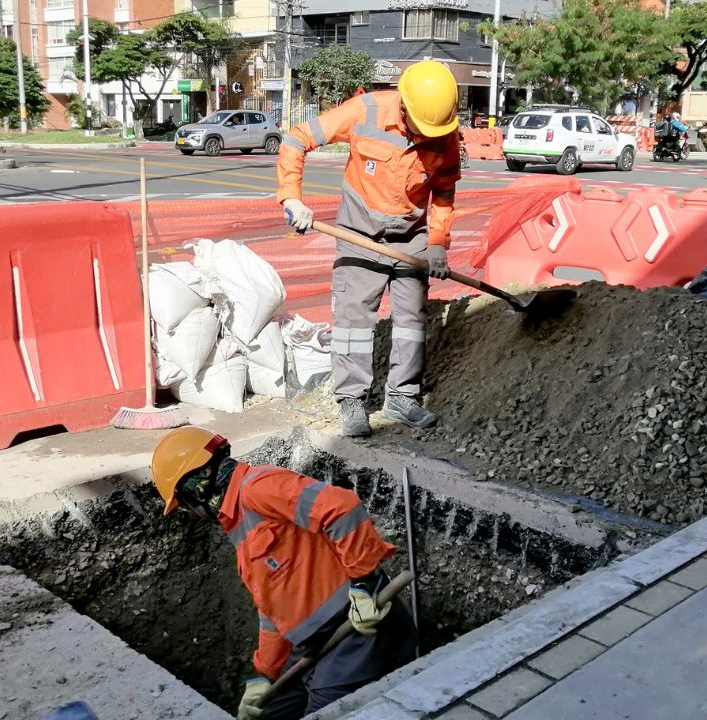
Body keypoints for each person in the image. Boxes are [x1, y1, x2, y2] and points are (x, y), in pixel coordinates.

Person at [150, 427, 418, 720]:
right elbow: (273, 613)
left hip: (354, 629)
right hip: (310, 645)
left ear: (196, 486)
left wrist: (364, 583)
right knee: (267, 714)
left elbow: (343, 507)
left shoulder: (258, 488)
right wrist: (263, 674)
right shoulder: (238, 524)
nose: (190, 513)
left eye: (185, 504)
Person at [276, 61, 462, 438]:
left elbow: (443, 193)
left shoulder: (444, 134)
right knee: (353, 322)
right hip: (358, 231)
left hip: (412, 237)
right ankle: (351, 400)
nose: (423, 137)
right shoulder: (366, 110)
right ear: (405, 106)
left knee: (412, 320)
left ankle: (402, 397)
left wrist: (438, 244)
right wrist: (292, 200)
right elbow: (296, 139)